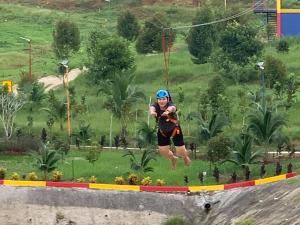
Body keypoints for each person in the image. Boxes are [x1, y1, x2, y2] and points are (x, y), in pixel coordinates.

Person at [149, 89, 191, 170]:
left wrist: (168, 111)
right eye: (160, 99)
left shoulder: (170, 104)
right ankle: (173, 159)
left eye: (164, 99)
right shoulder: (155, 105)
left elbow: (173, 108)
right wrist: (152, 112)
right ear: (157, 100)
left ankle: (185, 157)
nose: (162, 101)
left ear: (167, 99)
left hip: (175, 129)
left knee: (180, 151)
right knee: (163, 152)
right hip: (162, 131)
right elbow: (152, 108)